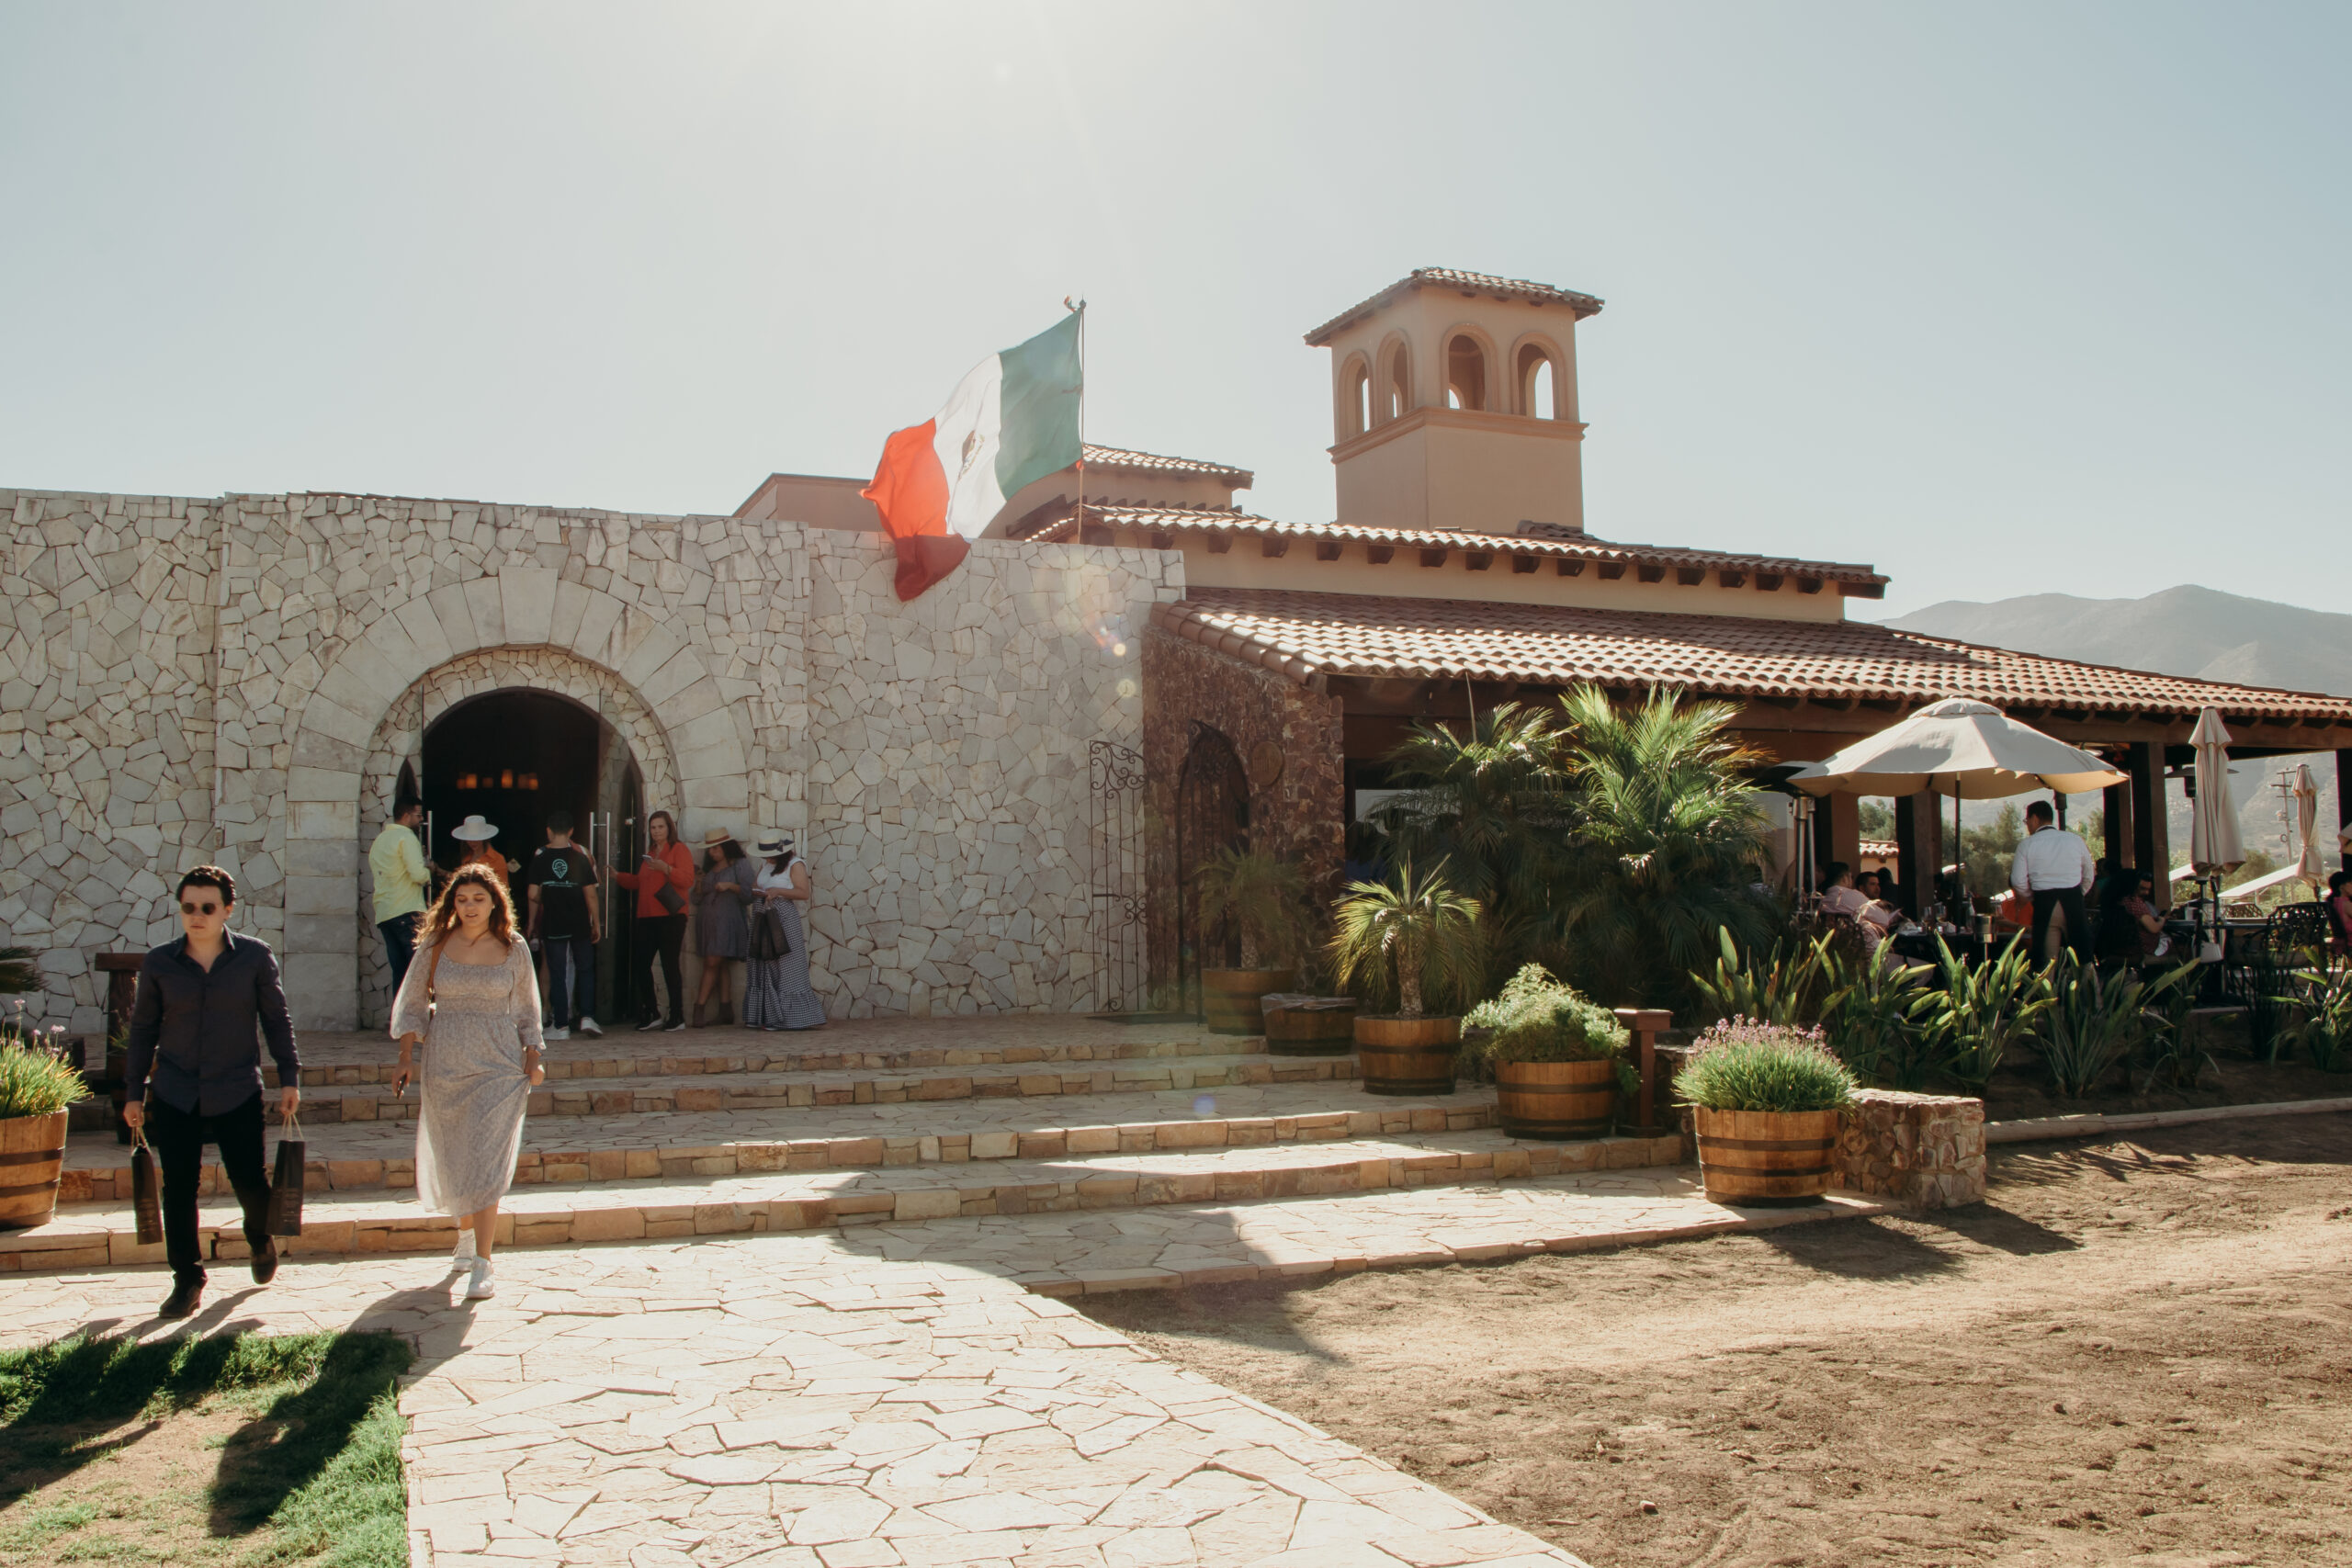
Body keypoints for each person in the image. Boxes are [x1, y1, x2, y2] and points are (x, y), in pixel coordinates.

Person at [121, 866, 300, 1321]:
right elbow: (142, 1029)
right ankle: (187, 1279)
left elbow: (276, 1020)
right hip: (176, 1090)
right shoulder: (160, 963)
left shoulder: (255, 958)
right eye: (188, 908)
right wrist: (133, 1091)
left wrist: (289, 1077)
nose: (196, 916)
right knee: (179, 1189)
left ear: (227, 910)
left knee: (251, 1184)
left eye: (207, 907)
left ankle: (259, 1237)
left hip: (236, 1086)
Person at [388, 864, 545, 1301]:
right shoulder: (436, 945)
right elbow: (414, 1003)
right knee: (455, 1153)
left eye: (478, 898)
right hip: (447, 1060)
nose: (470, 906)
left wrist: (534, 1056)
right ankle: (465, 1234)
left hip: (498, 1061)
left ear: (495, 901)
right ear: (451, 904)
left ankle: (484, 1262)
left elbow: (529, 1011)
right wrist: (405, 1057)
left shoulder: (514, 948)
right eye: (462, 899)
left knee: (487, 1158)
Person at [611, 808, 694, 1032]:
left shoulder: (678, 849)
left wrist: (666, 868)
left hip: (671, 917)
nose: (656, 831)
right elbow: (640, 882)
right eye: (653, 827)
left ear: (669, 828)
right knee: (640, 964)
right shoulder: (650, 852)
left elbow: (687, 879)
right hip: (647, 917)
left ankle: (677, 1015)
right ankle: (652, 1011)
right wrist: (617, 877)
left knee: (669, 965)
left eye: (661, 827)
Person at [524, 810, 602, 1042]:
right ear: (571, 831)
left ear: (548, 831)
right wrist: (596, 922)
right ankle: (587, 1016)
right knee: (585, 968)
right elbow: (591, 894)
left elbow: (532, 893)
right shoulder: (580, 858)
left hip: (553, 922)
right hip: (579, 922)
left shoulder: (540, 859)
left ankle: (561, 1025)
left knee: (557, 972)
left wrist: (532, 921)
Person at [743, 832, 825, 1031]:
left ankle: (789, 1017)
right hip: (763, 916)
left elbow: (803, 892)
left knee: (786, 965)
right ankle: (765, 1015)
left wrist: (778, 891)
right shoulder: (766, 865)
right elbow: (756, 885)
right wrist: (757, 891)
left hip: (783, 918)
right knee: (765, 963)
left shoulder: (795, 864)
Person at [2011, 798, 2096, 965]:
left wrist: (2033, 896)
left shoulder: (2027, 845)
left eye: (2026, 821)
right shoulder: (2075, 840)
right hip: (2073, 900)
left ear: (2034, 819)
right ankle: (2088, 991)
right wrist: (2078, 893)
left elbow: (2018, 881)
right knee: (2083, 956)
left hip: (2044, 902)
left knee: (2047, 961)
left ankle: (2047, 991)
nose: (2027, 825)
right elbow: (2088, 874)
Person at [691, 829, 757, 1028]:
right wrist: (699, 884)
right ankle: (725, 1010)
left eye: (716, 848)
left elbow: (750, 893)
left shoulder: (740, 865)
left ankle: (698, 1008)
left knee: (712, 961)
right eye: (710, 849)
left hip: (728, 922)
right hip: (709, 923)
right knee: (720, 963)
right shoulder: (709, 870)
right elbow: (695, 899)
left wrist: (730, 886)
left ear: (726, 847)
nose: (712, 852)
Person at [369, 798, 434, 992]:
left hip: (385, 913)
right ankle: (413, 1018)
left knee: (399, 971)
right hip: (407, 910)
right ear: (406, 815)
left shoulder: (380, 840)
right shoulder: (406, 838)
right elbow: (418, 875)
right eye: (418, 815)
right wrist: (429, 870)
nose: (421, 819)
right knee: (416, 970)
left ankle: (397, 1018)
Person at [450, 815, 512, 890]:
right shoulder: (467, 857)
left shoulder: (498, 859)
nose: (472, 842)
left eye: (476, 839)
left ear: (484, 838)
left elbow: (504, 889)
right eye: (469, 839)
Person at [2326, 869, 2352, 960]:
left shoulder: (2334, 903)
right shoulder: (2345, 904)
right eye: (2350, 883)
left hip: (2343, 942)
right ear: (2342, 887)